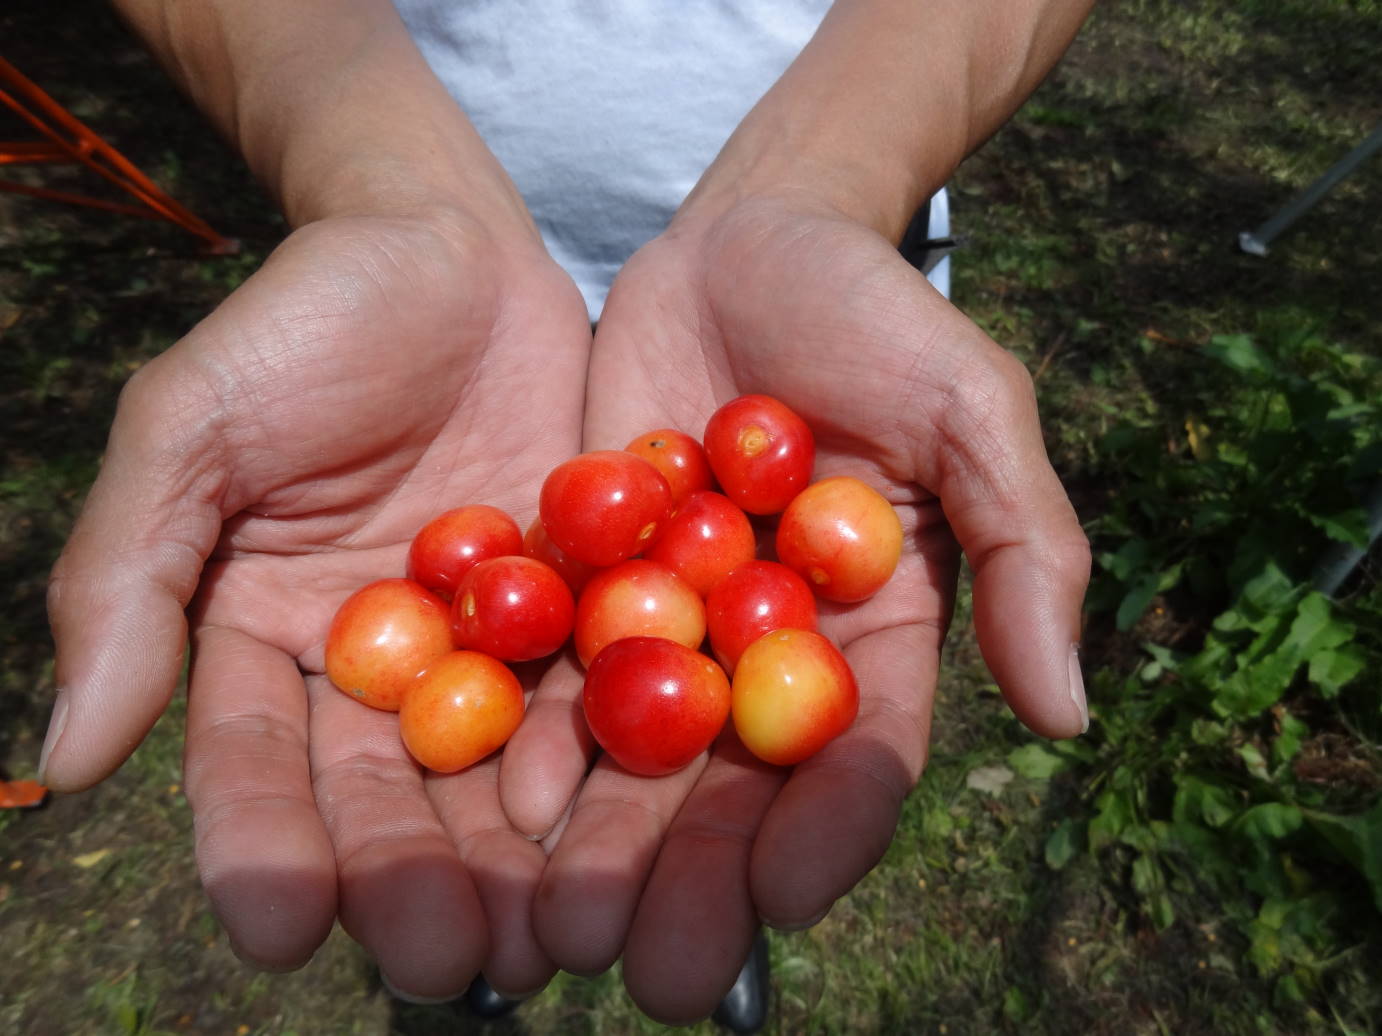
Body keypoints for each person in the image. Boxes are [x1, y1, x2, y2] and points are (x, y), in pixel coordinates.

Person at [40, 0, 1095, 1024]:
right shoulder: (591, 546)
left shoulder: (719, 525)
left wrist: (818, 183)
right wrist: (385, 185)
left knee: (718, 811)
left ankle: (682, 915)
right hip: (438, 321)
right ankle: (533, 902)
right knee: (548, 776)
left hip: (806, 289)